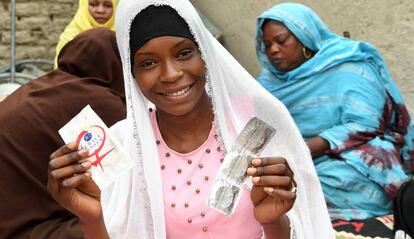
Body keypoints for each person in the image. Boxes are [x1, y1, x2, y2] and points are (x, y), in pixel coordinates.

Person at [47, 0, 334, 238]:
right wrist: (91, 218)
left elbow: (310, 227)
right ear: (131, 73)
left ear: (205, 53)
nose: (171, 74)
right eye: (148, 63)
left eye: (184, 53)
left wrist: (273, 223)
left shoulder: (258, 123)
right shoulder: (122, 145)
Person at [255, 3, 414, 221]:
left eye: (281, 41)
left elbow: (366, 124)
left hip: (353, 150)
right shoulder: (267, 85)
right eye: (267, 45)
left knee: (338, 180)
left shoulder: (348, 66)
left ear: (306, 38)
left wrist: (301, 151)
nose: (273, 50)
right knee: (270, 189)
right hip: (296, 158)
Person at [0, 28, 125, 239]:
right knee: (124, 220)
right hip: (25, 229)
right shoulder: (102, 103)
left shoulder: (43, 85)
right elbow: (128, 181)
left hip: (11, 214)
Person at [54, 0, 118, 68]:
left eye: (108, 6)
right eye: (93, 4)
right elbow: (61, 71)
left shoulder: (123, 38)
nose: (100, 10)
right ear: (84, 6)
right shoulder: (71, 37)